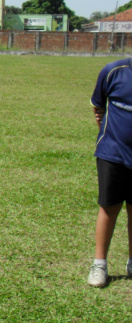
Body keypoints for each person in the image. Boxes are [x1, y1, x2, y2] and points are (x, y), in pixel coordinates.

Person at [87, 57, 132, 288]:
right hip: (112, 152)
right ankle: (99, 264)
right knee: (109, 207)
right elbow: (99, 106)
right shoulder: (114, 71)